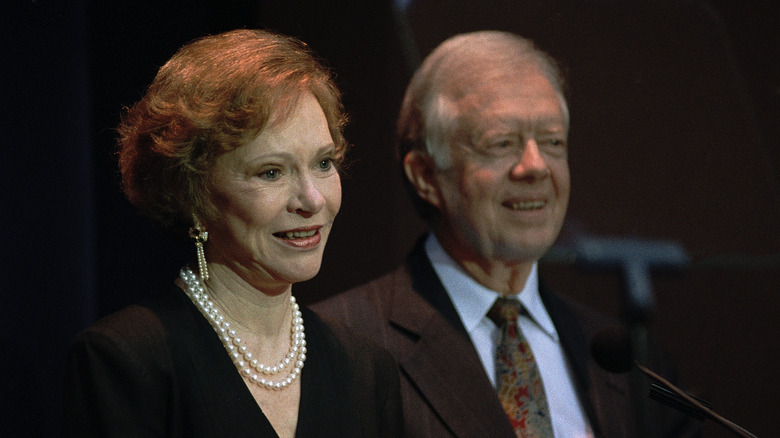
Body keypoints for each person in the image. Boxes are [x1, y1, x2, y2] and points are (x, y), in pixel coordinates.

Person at [313, 31, 701, 437]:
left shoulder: (627, 362)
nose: (535, 166)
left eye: (553, 142)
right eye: (501, 143)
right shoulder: (342, 346)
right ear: (426, 176)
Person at [62, 29, 402, 438]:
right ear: (193, 192)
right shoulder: (127, 360)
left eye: (324, 163)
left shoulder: (366, 370)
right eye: (271, 172)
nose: (312, 199)